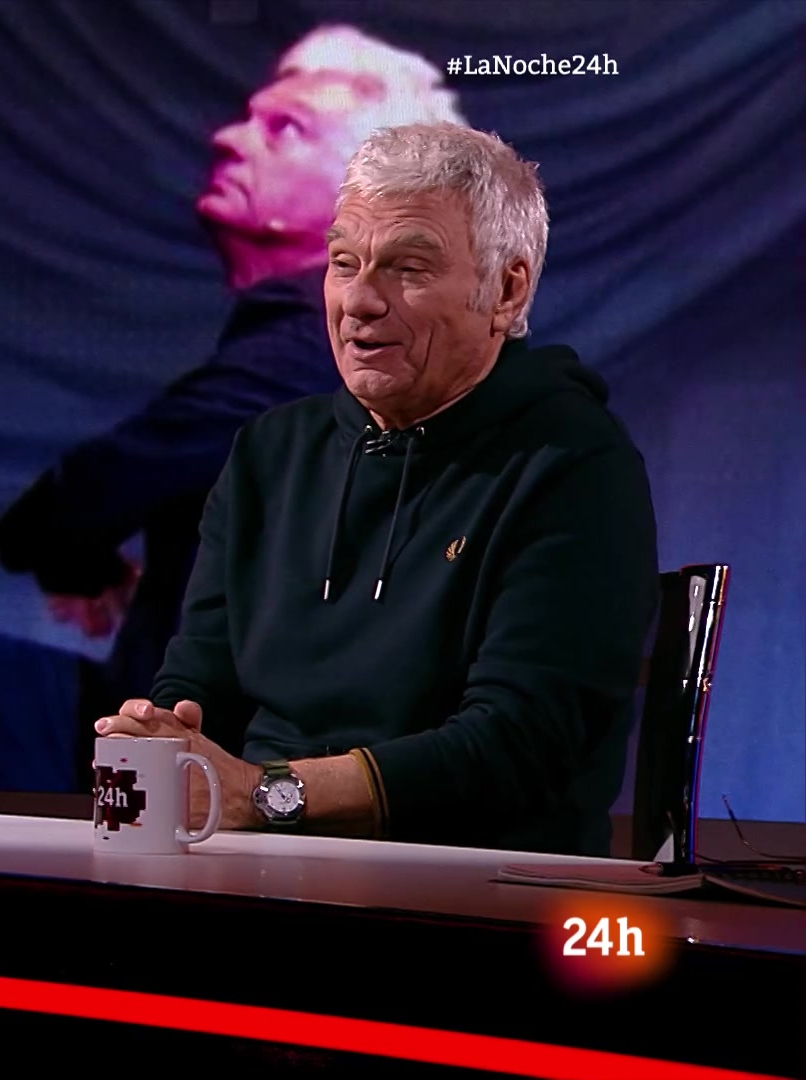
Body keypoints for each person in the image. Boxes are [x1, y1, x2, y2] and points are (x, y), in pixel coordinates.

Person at [0, 26, 466, 791]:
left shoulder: (318, 345)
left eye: (284, 128)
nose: (230, 137)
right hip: (173, 731)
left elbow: (96, 487)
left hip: (211, 767)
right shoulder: (348, 338)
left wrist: (73, 556)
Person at [96, 122, 658, 857]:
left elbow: (519, 743)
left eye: (408, 268)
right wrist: (163, 737)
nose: (359, 300)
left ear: (507, 289)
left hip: (467, 885)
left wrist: (267, 795)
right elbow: (198, 683)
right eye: (343, 262)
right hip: (252, 865)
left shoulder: (574, 463)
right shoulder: (270, 451)